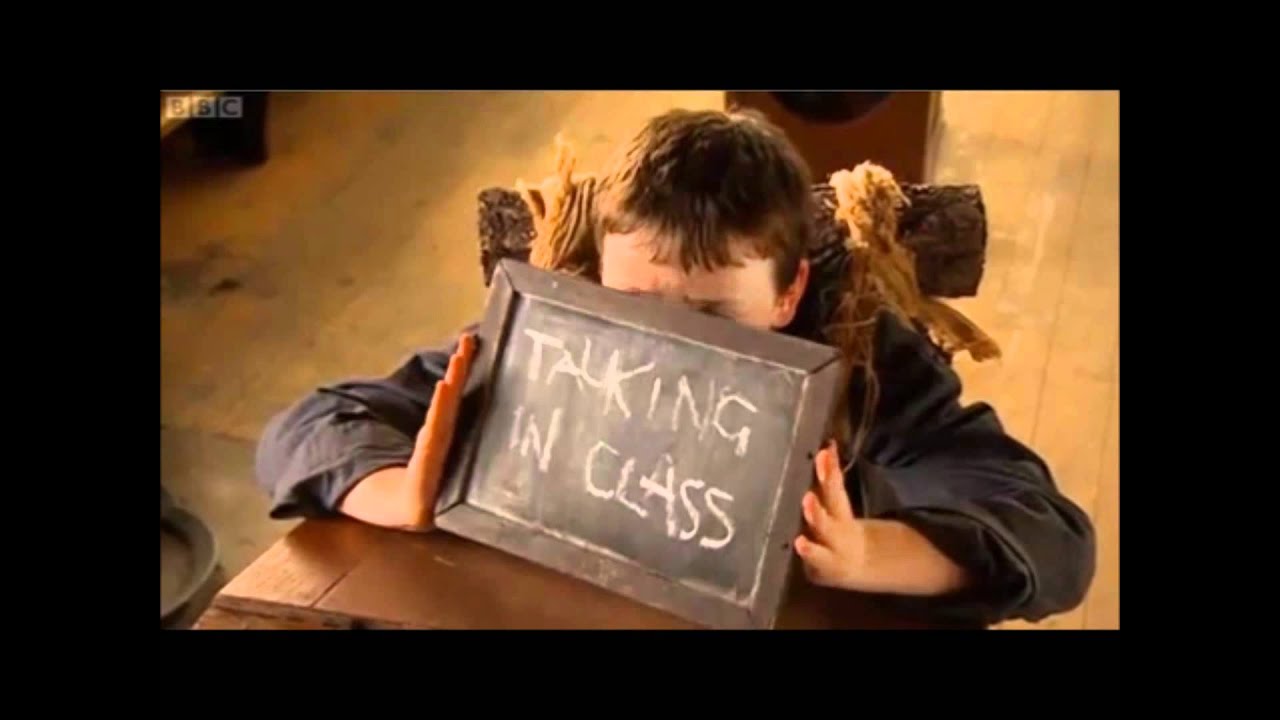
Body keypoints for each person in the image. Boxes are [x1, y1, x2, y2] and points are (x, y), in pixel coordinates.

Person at [255, 108, 1096, 627]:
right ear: (602, 278)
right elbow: (311, 426)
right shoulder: (561, 338)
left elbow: (1052, 536)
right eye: (639, 305)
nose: (672, 350)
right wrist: (401, 492)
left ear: (788, 292)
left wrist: (869, 550)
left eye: (714, 316)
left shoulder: (862, 356)